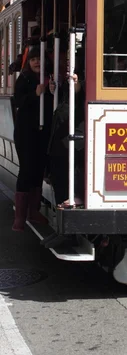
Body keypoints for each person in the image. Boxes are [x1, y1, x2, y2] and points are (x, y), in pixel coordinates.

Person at [12, 47, 53, 232]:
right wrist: (35, 95)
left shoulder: (50, 78)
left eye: (39, 59)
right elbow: (18, 102)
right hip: (26, 132)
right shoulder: (24, 79)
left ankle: (33, 212)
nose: (36, 62)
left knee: (38, 170)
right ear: (28, 62)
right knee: (26, 169)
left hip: (43, 132)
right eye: (33, 59)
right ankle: (19, 217)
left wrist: (52, 91)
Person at [47, 53, 85, 206]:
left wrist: (76, 84)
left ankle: (72, 198)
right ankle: (61, 201)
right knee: (58, 167)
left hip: (74, 129)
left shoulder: (83, 76)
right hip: (61, 130)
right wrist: (53, 90)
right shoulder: (63, 78)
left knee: (71, 165)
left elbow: (79, 90)